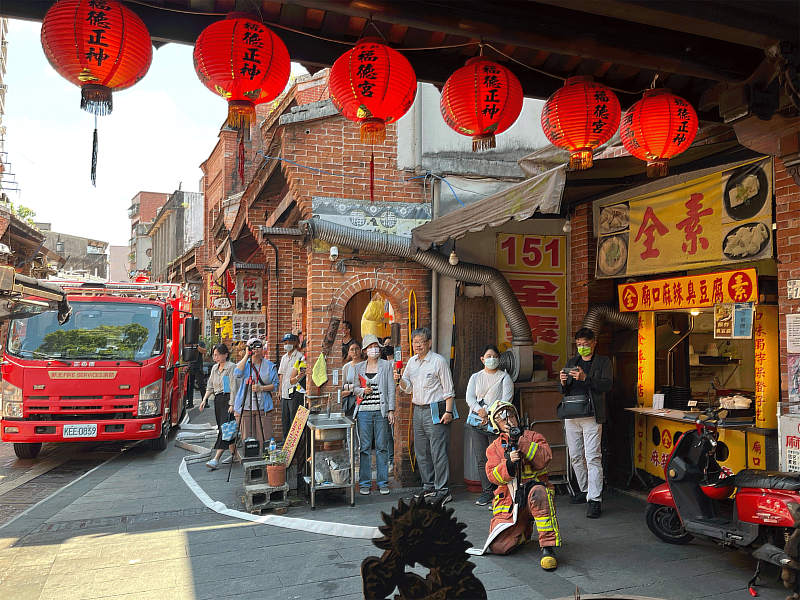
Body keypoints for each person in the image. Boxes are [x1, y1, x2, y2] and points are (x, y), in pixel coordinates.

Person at [483, 401, 560, 570]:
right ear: (495, 424)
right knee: (499, 547)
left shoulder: (533, 437)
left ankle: (548, 548)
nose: (508, 420)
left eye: (510, 415)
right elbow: (492, 476)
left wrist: (522, 443)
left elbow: (544, 459)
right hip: (511, 504)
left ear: (517, 417)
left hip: (534, 494)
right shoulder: (494, 448)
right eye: (502, 418)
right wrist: (509, 464)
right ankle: (523, 532)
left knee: (539, 493)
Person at [395, 326, 455, 504]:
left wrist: (449, 411)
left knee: (438, 452)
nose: (418, 345)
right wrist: (399, 379)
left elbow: (449, 389)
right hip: (418, 410)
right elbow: (408, 388)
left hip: (436, 409)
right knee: (421, 451)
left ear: (429, 343)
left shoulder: (438, 361)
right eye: (415, 342)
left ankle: (443, 490)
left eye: (421, 342)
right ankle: (428, 487)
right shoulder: (412, 362)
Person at [558, 327, 613, 519]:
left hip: (591, 415)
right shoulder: (573, 361)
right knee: (575, 455)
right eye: (579, 344)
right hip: (571, 415)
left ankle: (595, 499)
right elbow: (561, 389)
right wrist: (563, 382)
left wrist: (585, 378)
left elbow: (607, 385)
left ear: (594, 343)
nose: (582, 347)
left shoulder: (603, 362)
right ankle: (585, 489)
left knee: (592, 457)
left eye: (585, 344)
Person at [466, 344, 514, 507]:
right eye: (488, 356)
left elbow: (506, 401)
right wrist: (480, 411)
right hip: (478, 422)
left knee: (499, 458)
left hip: (497, 424)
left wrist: (490, 414)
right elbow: (469, 397)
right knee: (482, 459)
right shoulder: (475, 377)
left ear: (499, 359)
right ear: (482, 359)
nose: (491, 359)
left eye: (494, 356)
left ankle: (500, 492)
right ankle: (487, 491)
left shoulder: (504, 378)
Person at [354, 335, 396, 495]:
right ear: (365, 350)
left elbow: (391, 388)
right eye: (371, 347)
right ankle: (364, 483)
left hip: (381, 411)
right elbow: (354, 388)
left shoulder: (386, 366)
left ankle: (383, 482)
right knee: (364, 448)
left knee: (382, 447)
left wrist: (391, 410)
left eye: (376, 346)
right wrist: (362, 391)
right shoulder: (358, 367)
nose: (374, 349)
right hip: (364, 412)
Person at [234, 338, 279, 451]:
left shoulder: (269, 365)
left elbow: (275, 385)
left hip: (264, 406)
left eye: (258, 346)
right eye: (252, 346)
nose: (255, 348)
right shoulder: (244, 364)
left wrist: (261, 388)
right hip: (246, 406)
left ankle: (265, 462)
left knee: (265, 438)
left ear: (263, 348)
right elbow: (237, 374)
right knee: (248, 440)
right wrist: (246, 356)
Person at [198, 344, 238, 469]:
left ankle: (216, 459)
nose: (215, 357)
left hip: (228, 399)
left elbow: (233, 387)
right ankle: (234, 455)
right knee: (226, 427)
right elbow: (210, 386)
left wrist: (232, 404)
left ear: (225, 354)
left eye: (217, 355)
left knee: (224, 429)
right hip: (218, 399)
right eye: (214, 355)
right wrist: (204, 400)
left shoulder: (231, 367)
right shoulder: (215, 368)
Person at [278, 333, 304, 441]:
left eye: (289, 342)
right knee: (285, 418)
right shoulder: (284, 357)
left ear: (295, 343)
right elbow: (281, 375)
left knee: (294, 417)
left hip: (295, 392)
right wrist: (280, 390)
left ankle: (294, 442)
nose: (287, 345)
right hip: (284, 391)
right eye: (285, 343)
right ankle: (285, 440)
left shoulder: (299, 357)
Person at [341, 340, 363, 417]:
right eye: (352, 349)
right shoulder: (346, 367)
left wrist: (351, 391)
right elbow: (343, 385)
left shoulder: (365, 365)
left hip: (363, 399)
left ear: (360, 350)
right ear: (349, 352)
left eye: (357, 348)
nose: (355, 352)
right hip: (350, 401)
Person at [185, 340, 207, 409]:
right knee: (190, 386)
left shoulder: (200, 343)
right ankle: (190, 403)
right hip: (190, 366)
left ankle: (205, 402)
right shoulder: (187, 343)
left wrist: (197, 346)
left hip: (198, 366)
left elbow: (204, 351)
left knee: (201, 385)